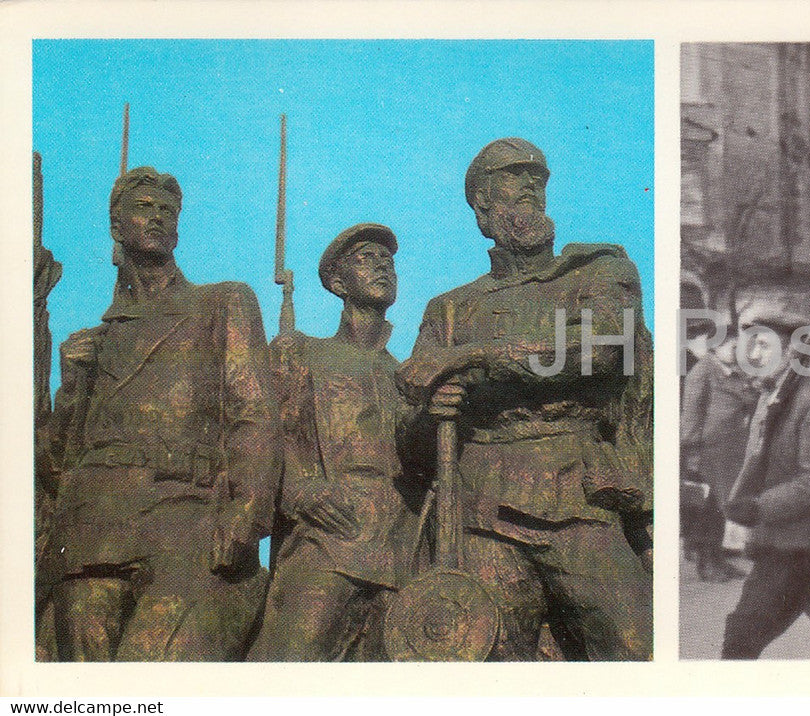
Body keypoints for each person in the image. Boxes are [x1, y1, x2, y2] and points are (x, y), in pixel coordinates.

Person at [396, 138, 651, 661]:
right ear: (482, 207)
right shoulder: (450, 310)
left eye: (537, 181)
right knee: (496, 662)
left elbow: (600, 349)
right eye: (514, 182)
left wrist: (472, 357)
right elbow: (411, 443)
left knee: (632, 646)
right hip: (480, 509)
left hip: (578, 494)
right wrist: (431, 413)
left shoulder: (598, 273)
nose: (531, 189)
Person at [38, 168, 276, 661]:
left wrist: (247, 513)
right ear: (116, 226)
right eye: (144, 207)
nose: (159, 217)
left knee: (155, 672)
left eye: (168, 210)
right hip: (92, 533)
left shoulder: (221, 302)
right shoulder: (95, 341)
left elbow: (253, 416)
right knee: (87, 689)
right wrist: (72, 384)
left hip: (185, 520)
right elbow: (54, 468)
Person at [249, 224, 417, 661]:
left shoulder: (406, 376)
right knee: (290, 664)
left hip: (401, 550)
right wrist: (297, 490)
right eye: (366, 257)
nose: (383, 266)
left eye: (388, 259)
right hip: (328, 539)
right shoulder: (301, 352)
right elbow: (261, 433)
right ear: (339, 283)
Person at [719, 309, 810, 659]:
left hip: (806, 547)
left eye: (764, 345)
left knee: (742, 639)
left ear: (792, 351)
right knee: (743, 638)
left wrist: (760, 508)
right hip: (782, 545)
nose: (754, 354)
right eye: (751, 345)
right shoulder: (771, 398)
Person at [680, 325, 755, 582]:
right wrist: (692, 455)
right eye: (732, 346)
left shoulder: (734, 371)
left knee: (721, 506)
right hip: (708, 450)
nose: (737, 351)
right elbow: (691, 415)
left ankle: (717, 559)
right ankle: (706, 562)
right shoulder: (702, 372)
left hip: (729, 449)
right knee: (707, 509)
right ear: (716, 348)